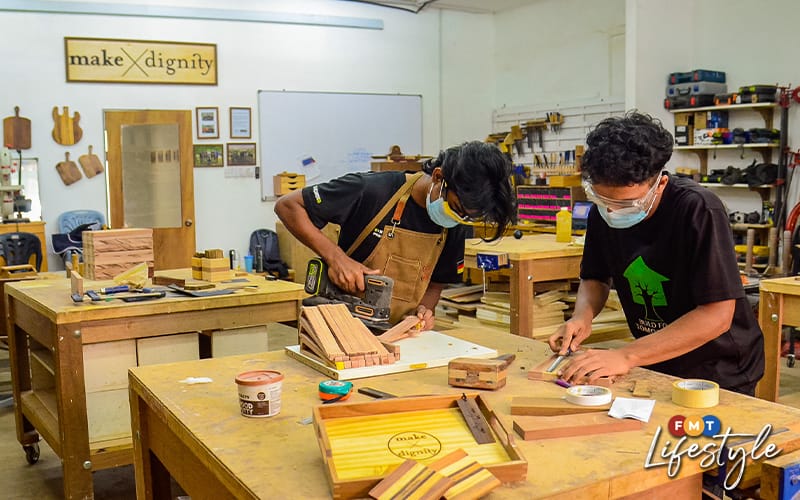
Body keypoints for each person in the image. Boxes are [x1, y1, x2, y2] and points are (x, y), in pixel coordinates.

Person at [548, 111, 764, 395]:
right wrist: (581, 317)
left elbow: (717, 315)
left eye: (626, 204)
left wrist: (626, 355)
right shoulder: (603, 211)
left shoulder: (698, 210)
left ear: (660, 183)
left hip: (718, 368)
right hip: (654, 359)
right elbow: (595, 277)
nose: (612, 211)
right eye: (602, 199)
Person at [274, 140, 516, 330]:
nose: (457, 218)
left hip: (399, 339)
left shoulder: (455, 223)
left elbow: (435, 284)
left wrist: (422, 314)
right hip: (338, 327)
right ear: (438, 177)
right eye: (456, 208)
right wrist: (337, 258)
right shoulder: (372, 190)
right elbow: (288, 205)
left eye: (466, 216)